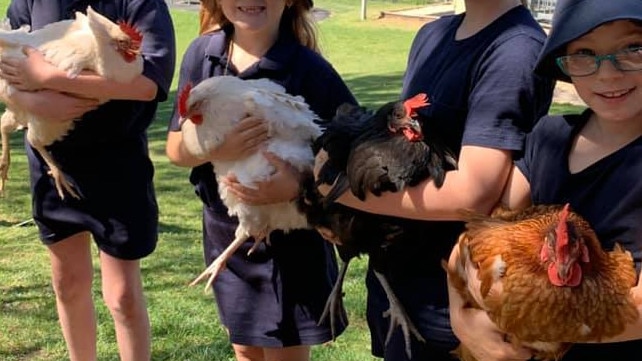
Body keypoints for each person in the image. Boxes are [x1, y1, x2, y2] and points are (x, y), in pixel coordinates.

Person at [314, 0, 554, 360]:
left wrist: (336, 188)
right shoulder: (434, 34)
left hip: (448, 297)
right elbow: (398, 151)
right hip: (396, 282)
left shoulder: (515, 49)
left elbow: (473, 194)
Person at [449, 0, 642, 360]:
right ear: (565, 63)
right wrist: (462, 319)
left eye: (633, 48)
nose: (608, 73)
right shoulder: (549, 137)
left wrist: (517, 317)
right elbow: (477, 237)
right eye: (585, 53)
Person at [165, 0, 357, 360]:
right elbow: (176, 148)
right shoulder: (203, 55)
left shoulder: (310, 70)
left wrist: (300, 185)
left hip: (293, 243)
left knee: (284, 352)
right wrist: (218, 149)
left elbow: (350, 153)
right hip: (228, 233)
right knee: (244, 347)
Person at [0, 1, 176, 361]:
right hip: (54, 163)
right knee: (68, 284)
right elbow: (6, 61)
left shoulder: (141, 3)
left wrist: (50, 80)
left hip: (117, 162)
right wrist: (19, 95)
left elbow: (149, 83)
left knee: (123, 295)